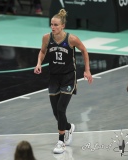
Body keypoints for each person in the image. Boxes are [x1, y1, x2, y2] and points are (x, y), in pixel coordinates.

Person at [34, 9, 93, 154]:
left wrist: (87, 70)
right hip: (54, 77)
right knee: (56, 113)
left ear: (63, 26)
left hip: (68, 77)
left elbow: (84, 50)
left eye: (55, 25)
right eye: (51, 25)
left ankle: (61, 141)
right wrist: (38, 63)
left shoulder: (71, 39)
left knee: (61, 109)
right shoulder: (46, 38)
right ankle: (68, 127)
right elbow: (42, 51)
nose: (53, 27)